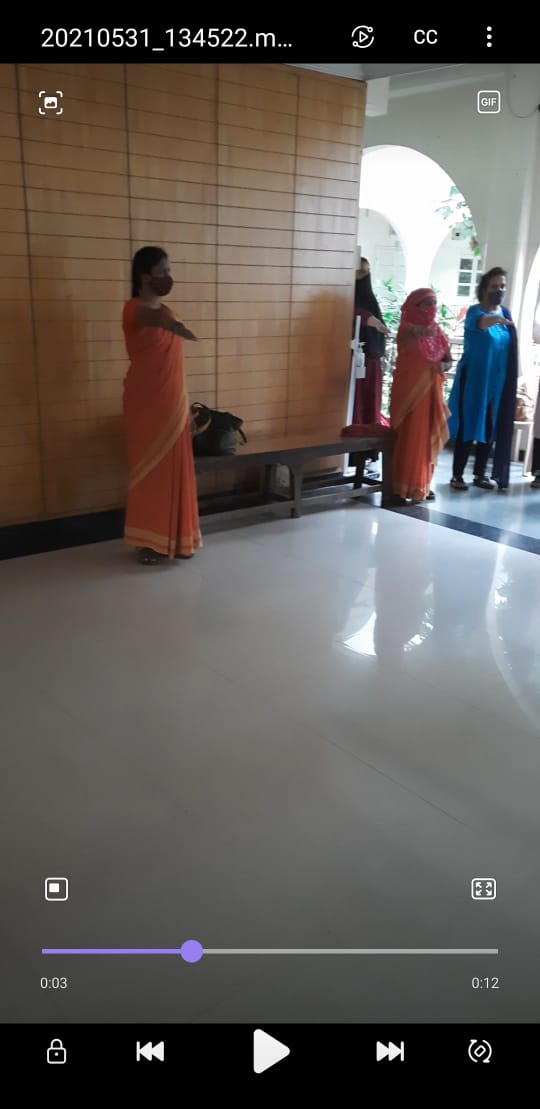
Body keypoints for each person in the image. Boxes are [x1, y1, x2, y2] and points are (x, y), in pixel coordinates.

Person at [122, 246, 202, 565]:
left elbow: (176, 364)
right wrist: (163, 321)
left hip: (173, 401)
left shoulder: (168, 312)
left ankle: (179, 540)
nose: (169, 277)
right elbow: (146, 316)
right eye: (163, 271)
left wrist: (187, 407)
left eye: (169, 270)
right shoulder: (133, 309)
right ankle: (149, 543)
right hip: (144, 403)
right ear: (144, 276)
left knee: (178, 469)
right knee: (150, 473)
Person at [447, 266, 518, 491]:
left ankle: (480, 474)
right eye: (494, 286)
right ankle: (457, 475)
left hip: (496, 382)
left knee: (490, 425)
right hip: (475, 380)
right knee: (469, 423)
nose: (499, 290)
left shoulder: (505, 313)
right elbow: (483, 323)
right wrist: (497, 319)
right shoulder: (476, 313)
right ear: (484, 289)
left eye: (503, 286)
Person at [389, 289, 452, 504]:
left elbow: (448, 360)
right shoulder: (407, 329)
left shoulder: (437, 331)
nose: (431, 308)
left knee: (426, 438)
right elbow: (414, 332)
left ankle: (421, 485)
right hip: (409, 395)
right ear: (414, 307)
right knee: (410, 438)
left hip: (431, 392)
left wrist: (443, 365)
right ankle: (400, 486)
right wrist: (424, 332)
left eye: (434, 303)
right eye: (426, 304)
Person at [351, 257, 390, 425]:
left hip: (370, 362)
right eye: (360, 272)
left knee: (368, 405)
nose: (363, 277)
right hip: (351, 363)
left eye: (366, 273)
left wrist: (374, 322)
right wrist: (372, 320)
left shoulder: (369, 300)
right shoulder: (346, 300)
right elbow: (353, 312)